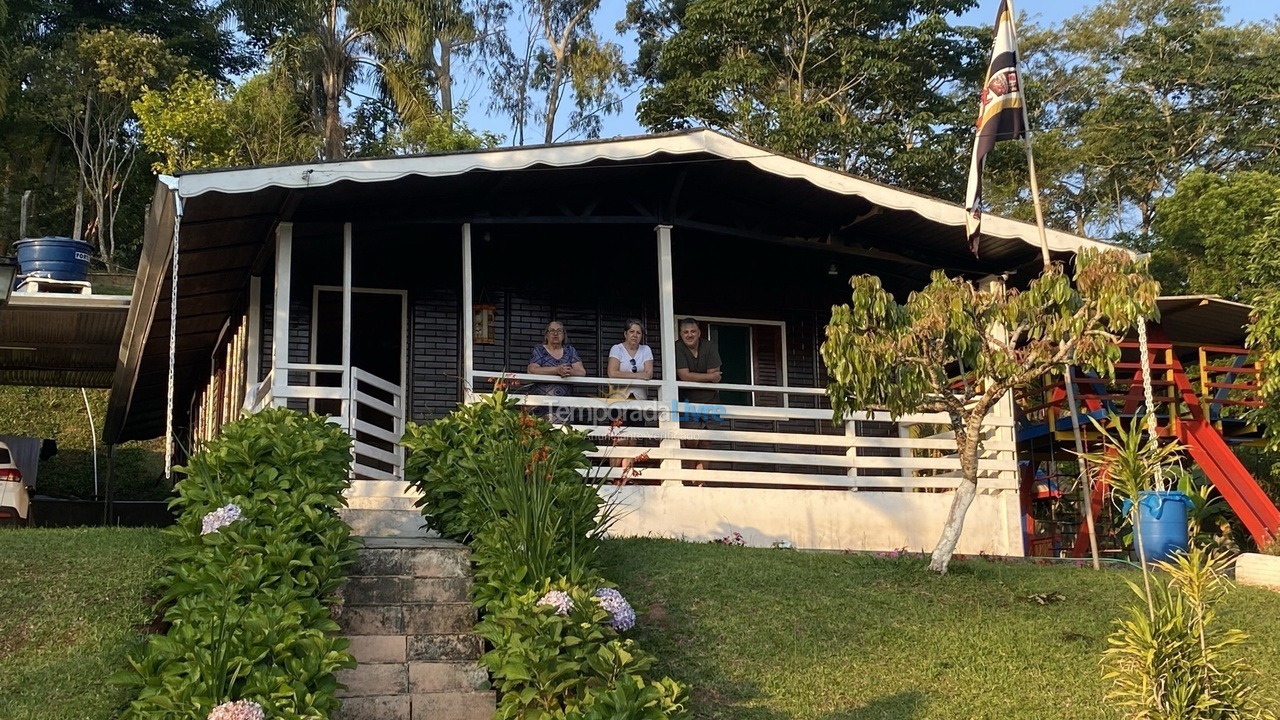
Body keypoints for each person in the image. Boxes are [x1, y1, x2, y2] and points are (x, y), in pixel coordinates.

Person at [674, 317, 722, 471]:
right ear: (680, 334)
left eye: (693, 331)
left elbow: (715, 374)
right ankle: (691, 479)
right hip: (686, 402)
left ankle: (700, 481)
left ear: (699, 332)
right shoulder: (677, 347)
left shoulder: (709, 346)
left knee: (706, 442)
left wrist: (705, 377)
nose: (689, 335)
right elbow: (684, 376)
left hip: (711, 401)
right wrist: (709, 377)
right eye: (685, 332)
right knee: (690, 442)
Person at [526, 321, 586, 399]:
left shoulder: (570, 350)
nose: (555, 334)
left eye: (559, 331)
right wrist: (556, 370)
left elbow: (581, 372)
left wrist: (567, 371)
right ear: (546, 335)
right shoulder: (539, 349)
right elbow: (532, 369)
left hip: (565, 401)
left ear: (564, 335)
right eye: (552, 331)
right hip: (540, 400)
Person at [607, 319, 654, 400]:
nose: (635, 335)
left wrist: (623, 375)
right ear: (625, 334)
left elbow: (648, 374)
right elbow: (612, 373)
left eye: (638, 333)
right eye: (631, 331)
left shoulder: (646, 349)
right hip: (619, 398)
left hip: (640, 398)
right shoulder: (617, 348)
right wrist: (637, 375)